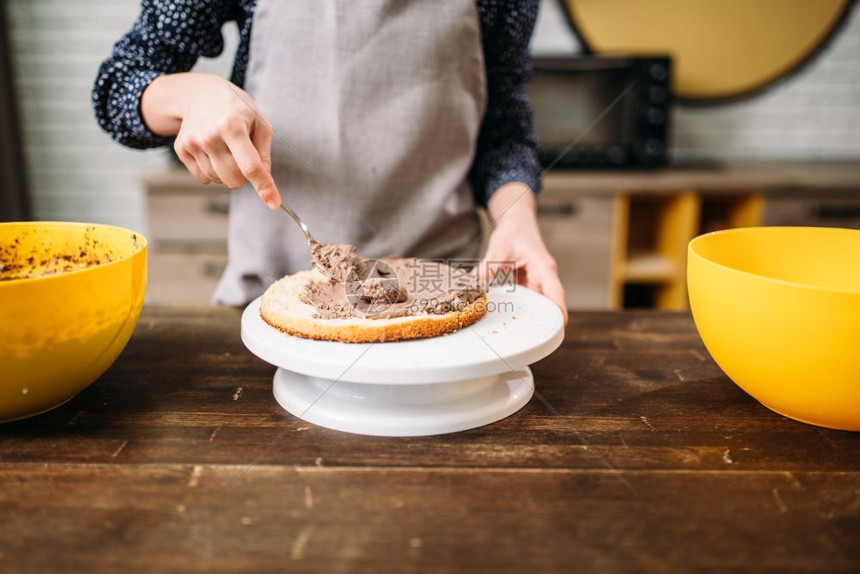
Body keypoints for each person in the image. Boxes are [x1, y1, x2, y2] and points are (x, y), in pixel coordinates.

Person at [93, 0, 567, 323]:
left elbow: (504, 128)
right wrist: (190, 93)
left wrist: (517, 217)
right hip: (279, 299)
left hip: (440, 296)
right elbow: (120, 85)